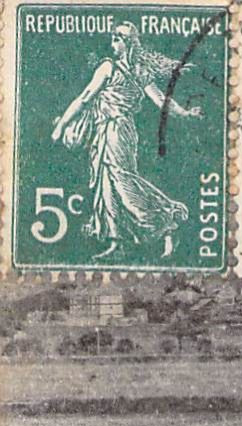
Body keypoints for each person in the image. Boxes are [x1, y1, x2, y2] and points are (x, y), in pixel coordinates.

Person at [51, 23, 199, 261]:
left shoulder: (111, 68)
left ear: (127, 42)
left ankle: (166, 221)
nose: (112, 41)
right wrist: (184, 113)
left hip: (117, 130)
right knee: (106, 182)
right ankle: (115, 240)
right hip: (108, 129)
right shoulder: (134, 70)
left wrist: (61, 126)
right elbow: (161, 100)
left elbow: (86, 97)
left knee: (121, 180)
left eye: (117, 37)